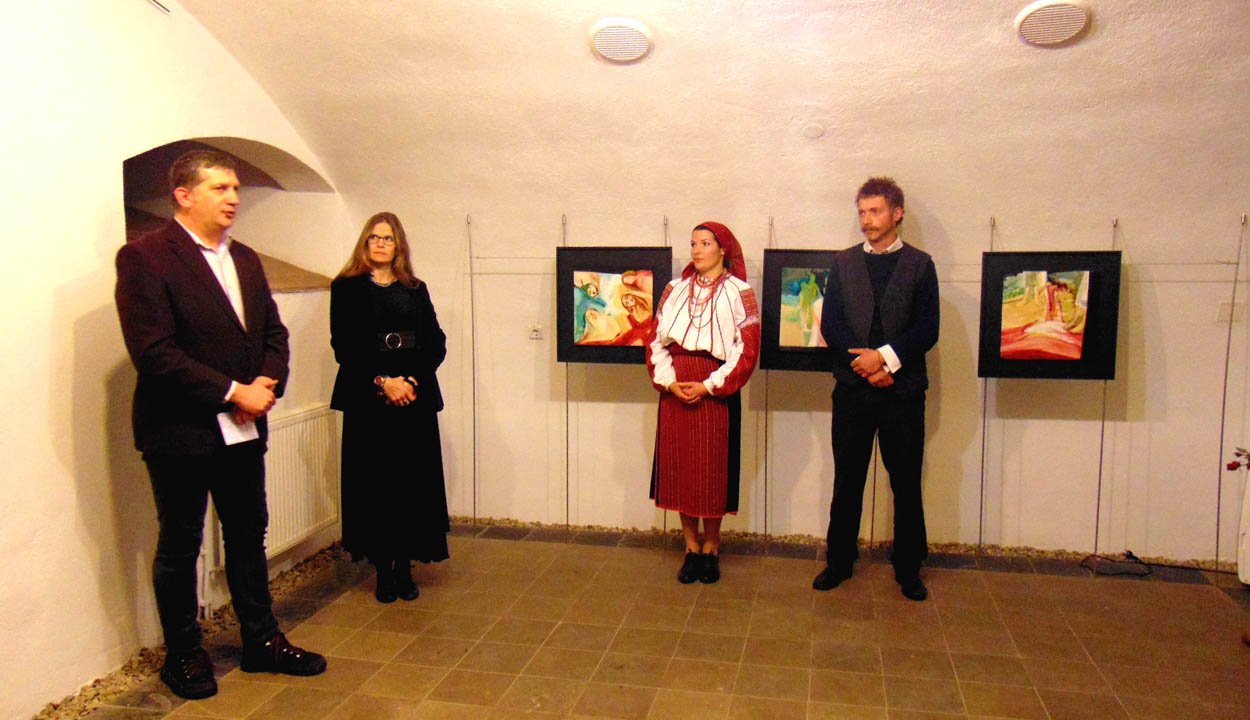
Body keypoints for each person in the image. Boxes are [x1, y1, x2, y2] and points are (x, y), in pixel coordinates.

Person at [114, 150, 326, 700]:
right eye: (220, 188)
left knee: (248, 534)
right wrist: (235, 392)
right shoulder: (145, 257)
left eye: (235, 187)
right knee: (181, 543)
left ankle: (262, 640)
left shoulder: (246, 258)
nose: (233, 197)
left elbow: (273, 334)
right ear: (183, 195)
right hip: (179, 428)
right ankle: (184, 653)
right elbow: (154, 353)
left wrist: (266, 386)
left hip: (243, 426)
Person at [812, 176, 940, 601]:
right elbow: (832, 324)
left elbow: (927, 328)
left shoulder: (921, 265)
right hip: (853, 390)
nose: (866, 219)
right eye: (862, 212)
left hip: (903, 394)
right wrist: (865, 367)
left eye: (875, 211)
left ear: (896, 213)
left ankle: (908, 568)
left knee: (905, 482)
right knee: (847, 479)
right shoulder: (844, 263)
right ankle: (839, 561)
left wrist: (884, 359)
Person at [330, 212, 450, 603]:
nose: (381, 244)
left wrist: (410, 381)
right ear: (365, 243)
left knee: (411, 484)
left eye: (388, 238)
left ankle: (404, 567)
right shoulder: (345, 288)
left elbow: (435, 342)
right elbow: (344, 346)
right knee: (376, 484)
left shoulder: (415, 288)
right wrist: (384, 381)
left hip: (413, 400)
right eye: (374, 238)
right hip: (369, 400)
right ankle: (383, 568)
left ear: (399, 245)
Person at [646, 222, 761, 584]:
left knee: (711, 471)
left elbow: (746, 350)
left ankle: (711, 547)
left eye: (705, 243)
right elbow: (656, 341)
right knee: (682, 469)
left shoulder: (740, 292)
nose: (697, 250)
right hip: (677, 389)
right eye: (693, 243)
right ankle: (690, 547)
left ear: (723, 249)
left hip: (714, 390)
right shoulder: (674, 290)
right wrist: (670, 382)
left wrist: (709, 386)